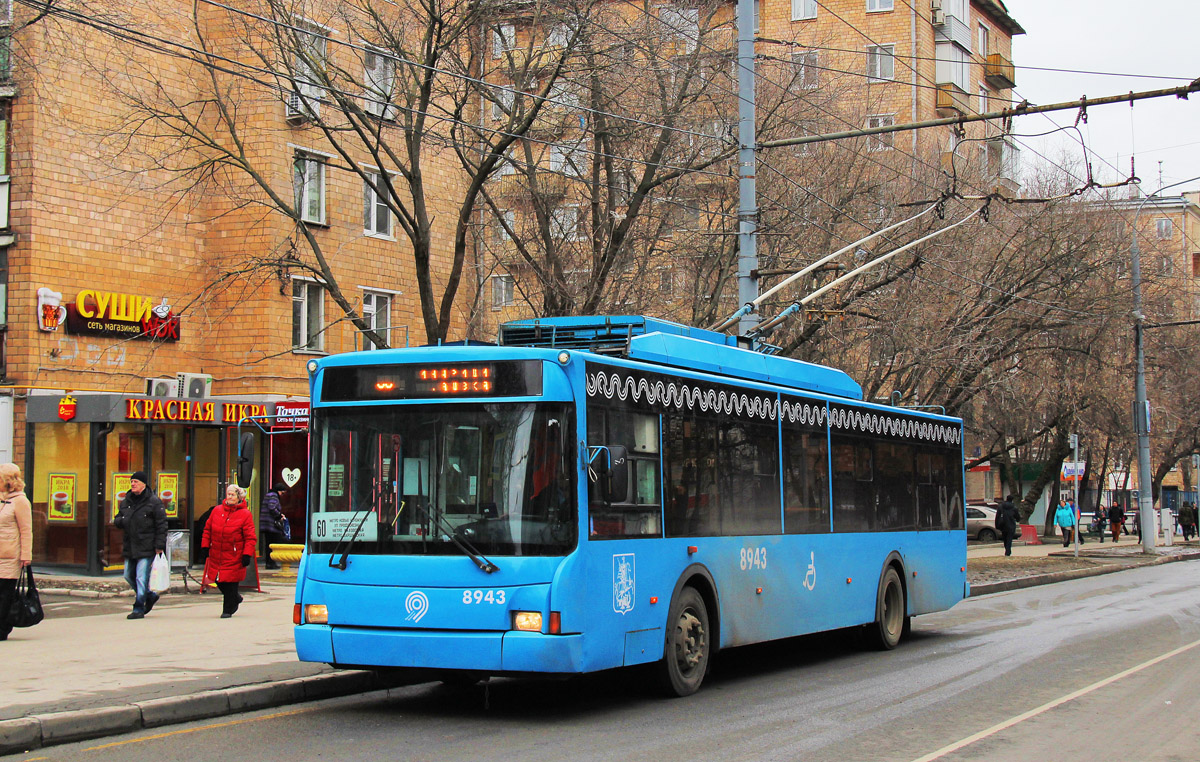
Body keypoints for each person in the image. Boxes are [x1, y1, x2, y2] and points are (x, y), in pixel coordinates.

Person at [113, 471, 167, 620]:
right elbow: (118, 518)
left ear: (144, 484)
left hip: (147, 544)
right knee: (128, 575)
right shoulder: (127, 500)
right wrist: (121, 521)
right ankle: (149, 596)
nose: (133, 484)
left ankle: (138, 607)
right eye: (131, 482)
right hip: (130, 544)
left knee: (141, 577)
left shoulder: (153, 501)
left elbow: (161, 524)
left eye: (136, 482)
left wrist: (159, 545)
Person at [201, 484, 257, 618]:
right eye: (228, 494)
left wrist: (247, 554)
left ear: (239, 497)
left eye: (232, 495)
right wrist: (204, 547)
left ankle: (228, 609)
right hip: (217, 553)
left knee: (230, 582)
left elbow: (250, 537)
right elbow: (207, 529)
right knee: (217, 580)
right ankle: (235, 598)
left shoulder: (245, 514)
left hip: (234, 554)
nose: (230, 497)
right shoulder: (217, 510)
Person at [0, 463, 33, 642]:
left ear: (7, 481)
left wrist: (26, 555)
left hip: (10, 554)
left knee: (5, 593)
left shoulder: (20, 500)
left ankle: (3, 627)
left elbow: (26, 530)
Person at [259, 482, 287, 570]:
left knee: (268, 544)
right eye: (282, 493)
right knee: (273, 544)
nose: (282, 495)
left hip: (266, 524)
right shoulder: (274, 496)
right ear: (279, 491)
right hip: (271, 525)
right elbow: (272, 507)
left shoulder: (268, 494)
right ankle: (271, 563)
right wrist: (279, 516)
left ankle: (269, 563)